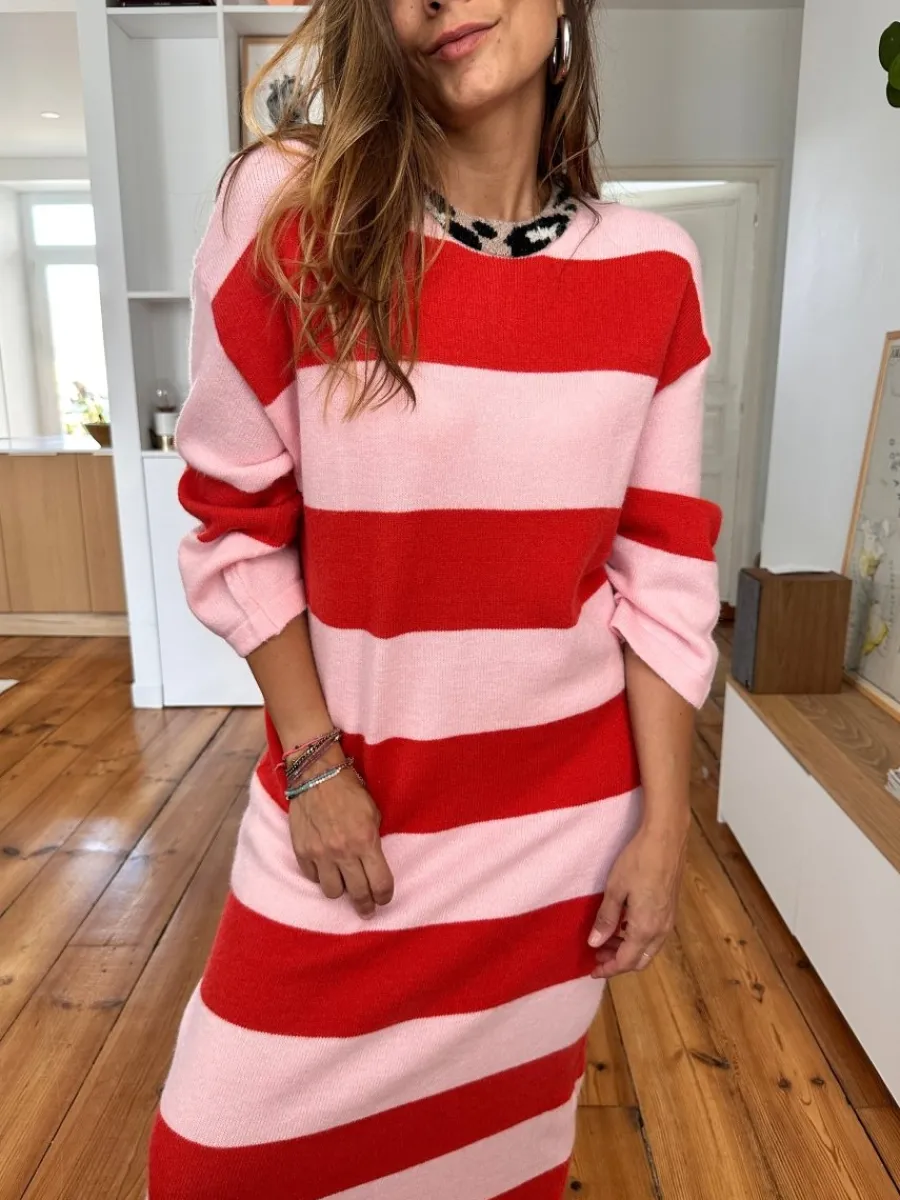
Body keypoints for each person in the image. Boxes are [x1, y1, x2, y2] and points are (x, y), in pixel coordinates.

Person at [148, 0, 721, 1195]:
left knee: (495, 1167)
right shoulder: (292, 211)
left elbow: (663, 578)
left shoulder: (657, 268)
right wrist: (314, 765)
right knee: (210, 1165)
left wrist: (664, 830)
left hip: (555, 850)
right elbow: (234, 520)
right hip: (349, 830)